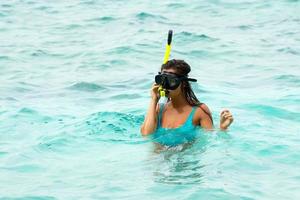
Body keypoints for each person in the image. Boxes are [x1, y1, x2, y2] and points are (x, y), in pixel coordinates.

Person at [140, 59, 234, 147]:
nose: (165, 86)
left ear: (184, 83)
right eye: (162, 80)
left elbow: (211, 139)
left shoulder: (199, 111)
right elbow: (146, 135)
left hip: (185, 160)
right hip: (157, 160)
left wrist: (222, 128)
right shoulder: (159, 109)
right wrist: (154, 100)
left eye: (171, 81)